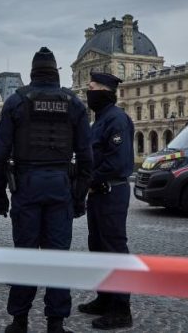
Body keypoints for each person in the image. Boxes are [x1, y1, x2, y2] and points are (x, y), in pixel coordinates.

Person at [0, 47, 93, 333]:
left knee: (25, 254)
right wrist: (80, 197)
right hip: (61, 185)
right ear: (56, 73)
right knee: (58, 256)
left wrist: (0, 194)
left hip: (26, 185)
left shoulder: (16, 101)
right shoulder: (74, 103)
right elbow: (87, 157)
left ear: (33, 73)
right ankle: (56, 324)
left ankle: (19, 320)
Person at [78, 72, 135, 330]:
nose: (87, 92)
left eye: (91, 88)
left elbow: (118, 162)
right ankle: (104, 298)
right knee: (98, 247)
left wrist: (90, 177)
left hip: (111, 191)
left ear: (104, 91)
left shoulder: (117, 120)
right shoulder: (100, 120)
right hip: (99, 193)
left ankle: (121, 309)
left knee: (114, 249)